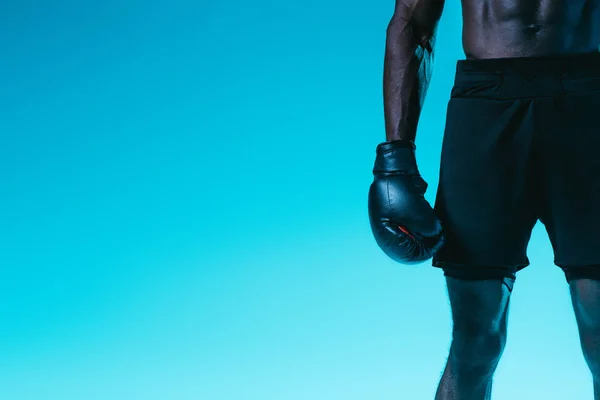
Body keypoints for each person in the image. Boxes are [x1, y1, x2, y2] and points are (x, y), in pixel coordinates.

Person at [367, 0, 600, 399]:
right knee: (475, 338)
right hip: (485, 105)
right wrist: (395, 157)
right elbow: (412, 21)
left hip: (587, 101)